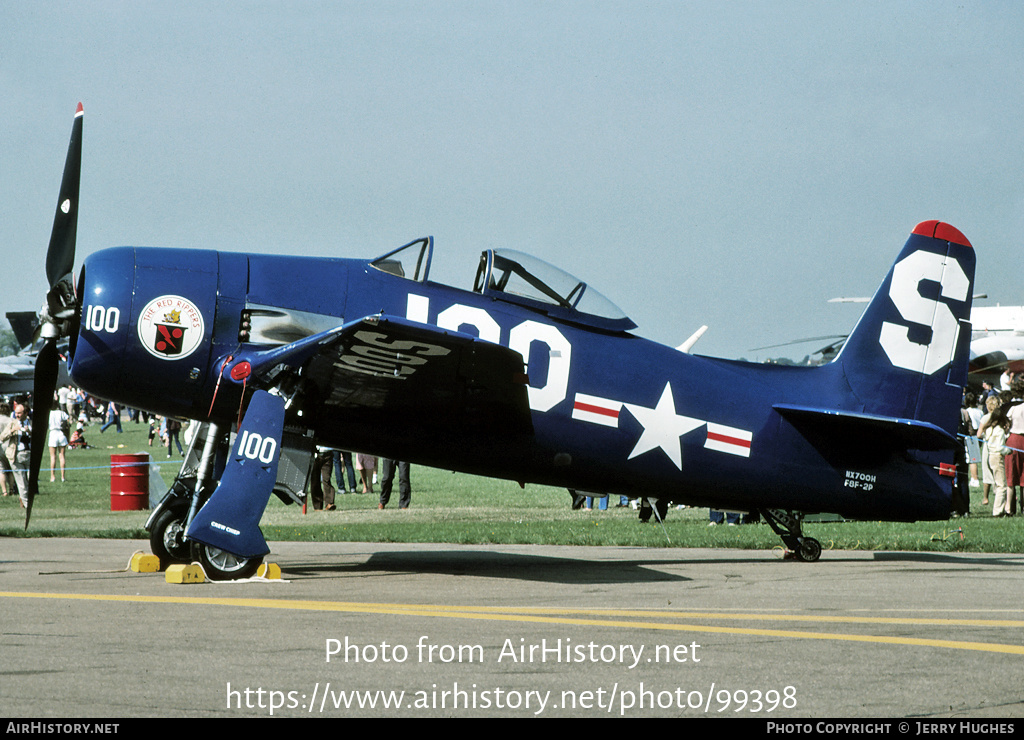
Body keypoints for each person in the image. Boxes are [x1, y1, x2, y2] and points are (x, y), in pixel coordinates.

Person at [979, 402, 1011, 517]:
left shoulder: (989, 430)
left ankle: (999, 509)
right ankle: (997, 511)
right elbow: (1001, 448)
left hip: (990, 456)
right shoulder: (1000, 431)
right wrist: (1009, 451)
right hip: (997, 457)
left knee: (998, 484)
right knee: (1002, 485)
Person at [1, 403, 32, 508]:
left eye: (19, 413)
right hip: (16, 455)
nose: (17, 415)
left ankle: (24, 500)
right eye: (16, 413)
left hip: (29, 454)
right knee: (21, 482)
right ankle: (27, 505)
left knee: (30, 480)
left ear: (26, 413)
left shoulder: (31, 423)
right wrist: (12, 430)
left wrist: (30, 432)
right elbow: (2, 437)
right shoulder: (12, 423)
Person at [48, 398, 70, 483]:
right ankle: (63, 477)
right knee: (62, 456)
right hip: (61, 433)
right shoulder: (62, 413)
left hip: (53, 433)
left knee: (53, 456)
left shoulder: (49, 413)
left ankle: (52, 476)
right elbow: (68, 422)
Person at [0, 402, 12, 497]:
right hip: (9, 446)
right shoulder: (11, 420)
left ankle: (4, 491)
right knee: (11, 469)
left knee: (1, 470)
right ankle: (11, 488)